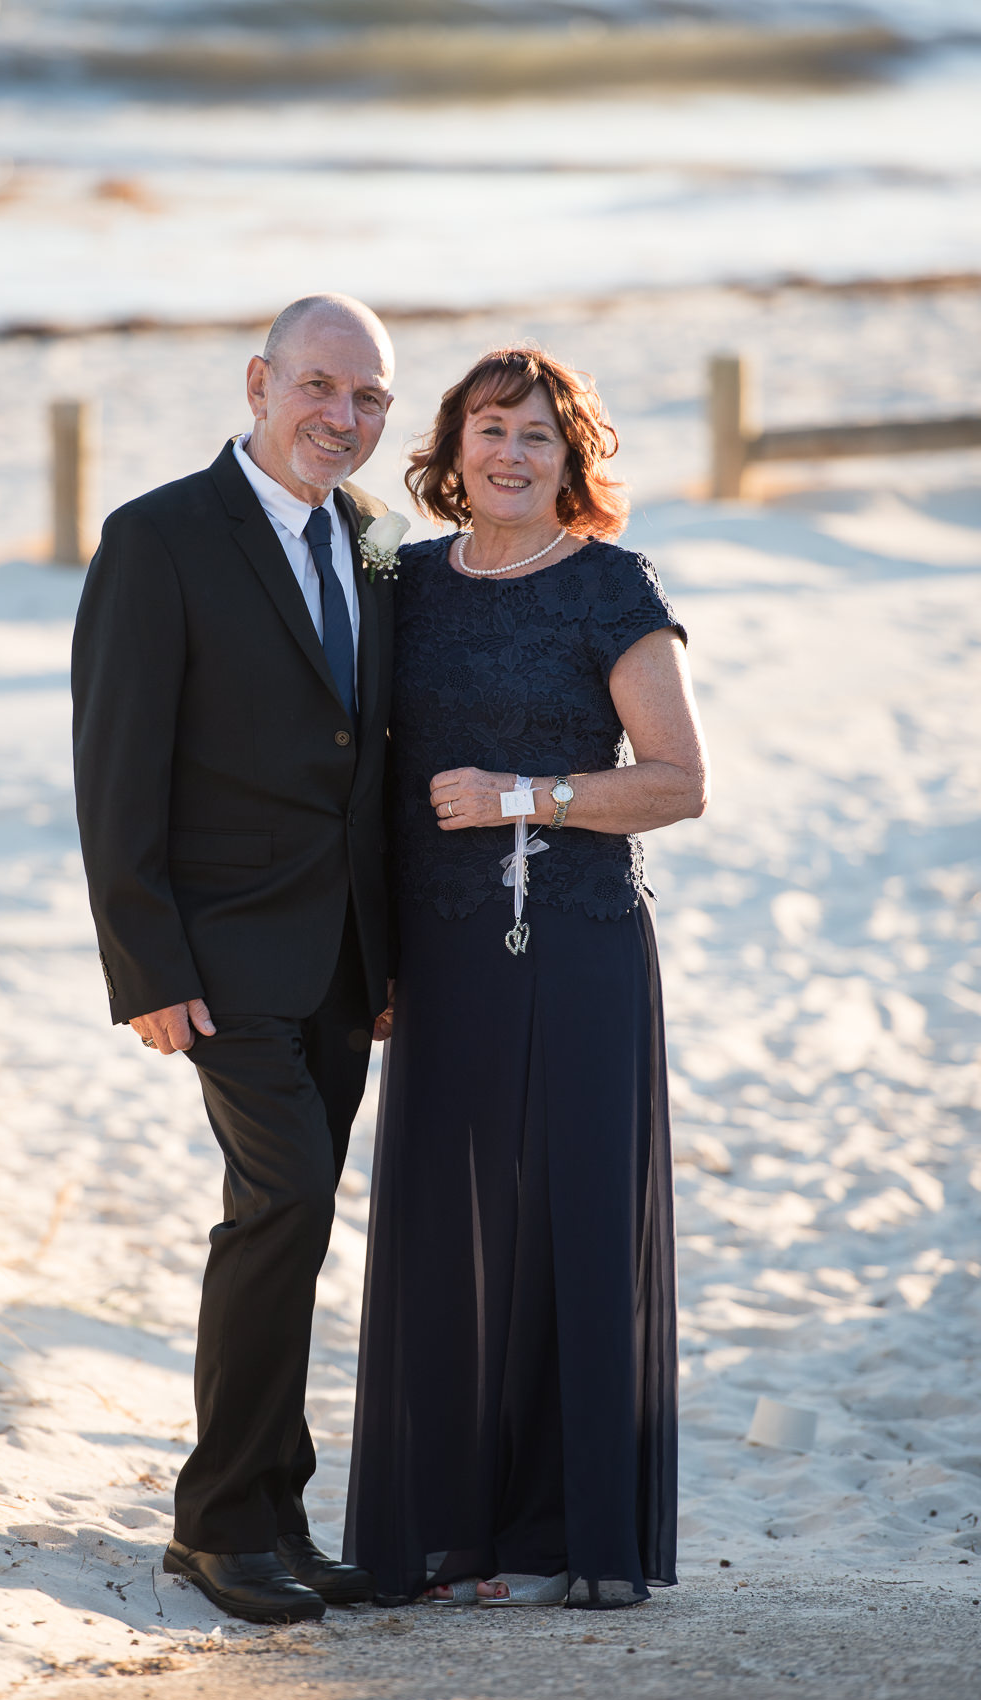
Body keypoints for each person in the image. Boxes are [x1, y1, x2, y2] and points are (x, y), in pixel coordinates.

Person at [345, 346, 709, 1610]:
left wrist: (525, 800)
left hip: (580, 940)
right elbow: (372, 783)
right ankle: (448, 1532)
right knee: (446, 1234)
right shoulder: (401, 583)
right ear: (449, 449)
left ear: (574, 463)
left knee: (573, 1222)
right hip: (438, 955)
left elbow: (677, 779)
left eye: (540, 436)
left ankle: (567, 1533)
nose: (512, 452)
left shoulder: (613, 586)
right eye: (491, 427)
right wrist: (373, 956)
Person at [72, 293, 397, 1626]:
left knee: (294, 1221)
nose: (343, 416)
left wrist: (389, 957)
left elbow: (363, 763)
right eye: (322, 385)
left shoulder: (376, 546)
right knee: (286, 1202)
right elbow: (113, 761)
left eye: (370, 399)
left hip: (341, 957)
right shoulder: (157, 538)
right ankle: (214, 1522)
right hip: (215, 952)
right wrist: (143, 958)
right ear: (261, 380)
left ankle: (276, 1511)